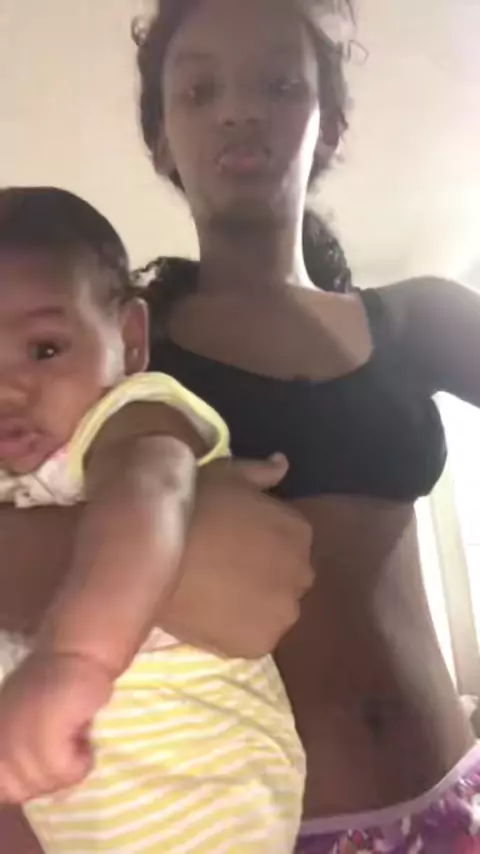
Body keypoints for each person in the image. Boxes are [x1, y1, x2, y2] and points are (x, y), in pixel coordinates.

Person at [2, 0, 480, 851]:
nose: (238, 110)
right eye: (199, 91)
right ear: (161, 139)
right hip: (260, 830)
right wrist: (166, 557)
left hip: (455, 800)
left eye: (280, 84)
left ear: (329, 124)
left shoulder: (421, 318)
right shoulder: (111, 355)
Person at [0, 187, 307, 854]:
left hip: (208, 800)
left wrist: (73, 659)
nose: (6, 389)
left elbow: (151, 494)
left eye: (44, 349)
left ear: (131, 342)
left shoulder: (128, 418)